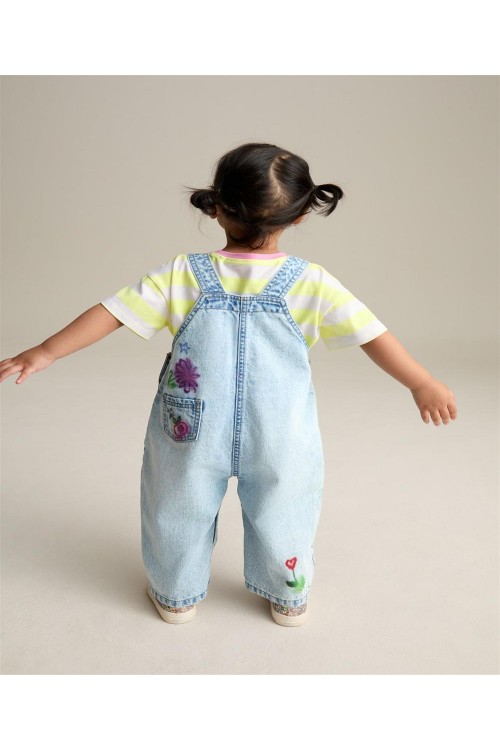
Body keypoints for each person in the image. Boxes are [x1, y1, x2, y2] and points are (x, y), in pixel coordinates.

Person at [0, 142, 458, 627]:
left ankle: (175, 596)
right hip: (280, 429)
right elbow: (372, 335)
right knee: (286, 506)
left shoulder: (183, 273)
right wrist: (420, 381)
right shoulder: (312, 281)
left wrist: (45, 351)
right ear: (300, 216)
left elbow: (111, 313)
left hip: (189, 426)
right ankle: (289, 597)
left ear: (217, 208)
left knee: (176, 504)